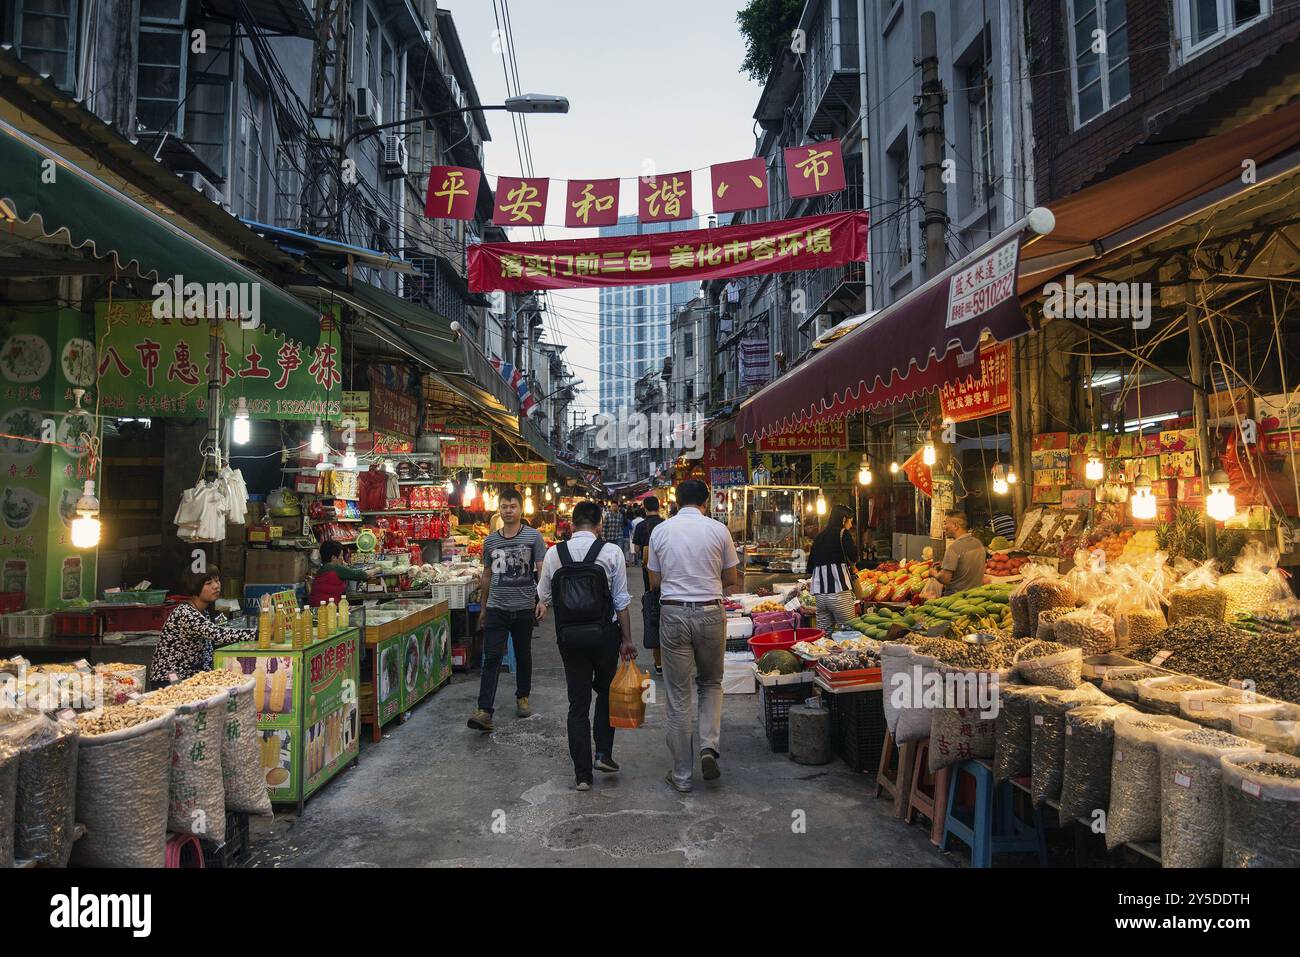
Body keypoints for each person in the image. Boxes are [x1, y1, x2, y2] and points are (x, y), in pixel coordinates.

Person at [647, 479, 741, 793]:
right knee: (711, 682)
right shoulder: (718, 530)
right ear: (705, 502)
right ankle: (708, 748)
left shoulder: (660, 531)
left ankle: (682, 776)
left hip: (673, 613)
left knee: (678, 694)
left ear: (676, 500)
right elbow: (731, 578)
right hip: (711, 612)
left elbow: (654, 581)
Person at [536, 501, 636, 791]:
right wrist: (627, 640)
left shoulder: (555, 553)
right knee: (606, 693)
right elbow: (621, 602)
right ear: (599, 524)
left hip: (570, 639)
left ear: (571, 523)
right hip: (604, 637)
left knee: (577, 704)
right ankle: (603, 753)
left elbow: (543, 595)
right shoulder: (611, 552)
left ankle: (582, 775)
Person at [469, 488, 547, 732]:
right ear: (499, 510)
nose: (508, 510)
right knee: (491, 658)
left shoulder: (533, 537)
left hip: (524, 607)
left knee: (524, 655)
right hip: (496, 608)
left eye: (513, 506)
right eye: (504, 506)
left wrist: (542, 600)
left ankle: (522, 696)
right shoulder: (490, 541)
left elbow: (541, 570)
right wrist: (483, 607)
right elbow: (487, 574)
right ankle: (484, 711)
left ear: (521, 508)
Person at [150, 565, 256, 686]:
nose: (216, 586)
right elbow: (217, 634)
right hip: (170, 678)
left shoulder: (203, 612)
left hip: (191, 677)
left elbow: (210, 645)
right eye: (209, 583)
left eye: (217, 580)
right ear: (194, 587)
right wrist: (258, 633)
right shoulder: (185, 613)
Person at [807, 504, 860, 628]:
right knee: (849, 632)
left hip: (820, 597)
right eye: (850, 521)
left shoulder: (819, 536)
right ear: (843, 520)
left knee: (825, 635)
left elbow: (810, 567)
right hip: (839, 593)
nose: (850, 525)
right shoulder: (843, 533)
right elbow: (854, 556)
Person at [631, 496, 667, 675]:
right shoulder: (666, 524)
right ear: (659, 506)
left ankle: (658, 661)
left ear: (644, 508)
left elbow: (637, 550)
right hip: (668, 576)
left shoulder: (640, 526)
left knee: (653, 613)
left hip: (649, 576)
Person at [933, 510, 987, 596]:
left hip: (957, 599)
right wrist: (946, 565)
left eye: (945, 523)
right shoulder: (978, 543)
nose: (944, 527)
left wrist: (933, 573)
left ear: (955, 526)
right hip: (976, 596)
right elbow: (969, 565)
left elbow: (944, 579)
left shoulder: (953, 548)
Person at [308, 541, 377, 607]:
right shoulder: (335, 568)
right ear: (334, 558)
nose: (342, 559)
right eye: (341, 556)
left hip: (316, 606)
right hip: (328, 608)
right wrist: (378, 569)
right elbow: (362, 575)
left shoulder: (322, 569)